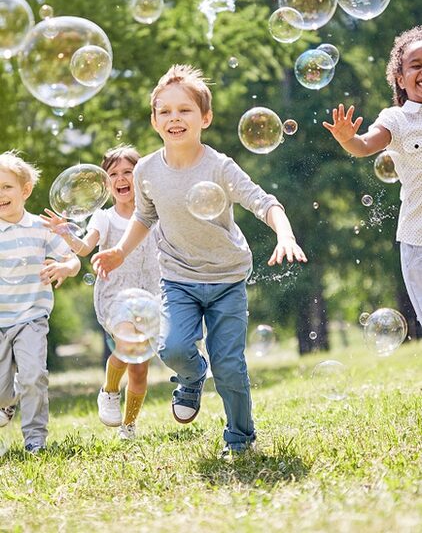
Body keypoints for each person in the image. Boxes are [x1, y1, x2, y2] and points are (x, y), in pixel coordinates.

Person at [91, 64, 307, 457]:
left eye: (185, 110)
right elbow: (144, 216)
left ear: (204, 117)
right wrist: (120, 251)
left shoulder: (219, 166)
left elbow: (264, 202)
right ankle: (191, 376)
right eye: (165, 111)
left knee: (230, 366)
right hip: (178, 278)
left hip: (226, 278)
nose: (175, 118)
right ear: (155, 120)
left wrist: (285, 234)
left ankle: (240, 438)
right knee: (171, 348)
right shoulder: (146, 170)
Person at [41, 145, 160, 441]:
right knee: (126, 346)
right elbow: (84, 248)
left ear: (141, 177)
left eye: (128, 172)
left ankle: (129, 425)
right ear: (107, 184)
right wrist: (66, 233)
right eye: (114, 174)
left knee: (140, 370)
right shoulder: (104, 218)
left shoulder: (156, 213)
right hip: (116, 295)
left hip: (151, 296)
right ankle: (109, 391)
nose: (121, 179)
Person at [322, 25, 422, 328]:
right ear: (400, 79)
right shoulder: (397, 119)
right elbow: (365, 144)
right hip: (419, 239)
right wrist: (346, 139)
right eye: (416, 66)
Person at [0, 151, 81, 453]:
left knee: (34, 375)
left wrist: (64, 267)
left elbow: (72, 260)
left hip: (31, 318)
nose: (1, 194)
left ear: (25, 190)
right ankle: (8, 401)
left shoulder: (40, 228)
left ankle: (35, 440)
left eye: (7, 187)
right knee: (2, 392)